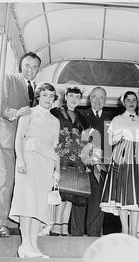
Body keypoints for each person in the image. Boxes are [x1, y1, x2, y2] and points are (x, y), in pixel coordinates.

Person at [0, 52, 41, 237]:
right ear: (21, 65)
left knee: (24, 185)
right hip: (8, 140)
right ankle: (0, 224)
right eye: (27, 65)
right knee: (4, 182)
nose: (31, 70)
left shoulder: (37, 89)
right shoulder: (8, 79)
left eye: (35, 67)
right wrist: (15, 112)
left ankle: (19, 224)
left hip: (29, 146)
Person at [9, 82, 60, 258]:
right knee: (27, 202)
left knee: (39, 204)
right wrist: (20, 159)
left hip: (46, 164)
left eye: (51, 96)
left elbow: (56, 147)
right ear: (38, 96)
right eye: (44, 95)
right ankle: (25, 244)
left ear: (54, 99)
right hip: (29, 161)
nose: (48, 99)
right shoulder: (28, 112)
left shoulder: (55, 120)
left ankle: (34, 246)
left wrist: (57, 170)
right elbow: (19, 137)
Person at [100, 91, 139, 237]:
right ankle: (124, 229)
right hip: (122, 157)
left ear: (137, 103)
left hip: (138, 160)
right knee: (123, 193)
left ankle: (134, 231)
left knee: (136, 194)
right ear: (124, 102)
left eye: (134, 100)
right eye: (128, 100)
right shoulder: (117, 119)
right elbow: (110, 141)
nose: (131, 103)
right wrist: (122, 134)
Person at [81, 87, 121, 236]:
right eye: (95, 97)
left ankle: (94, 234)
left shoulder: (111, 119)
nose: (98, 100)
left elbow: (112, 143)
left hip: (103, 165)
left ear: (105, 100)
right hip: (83, 164)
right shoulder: (82, 115)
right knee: (80, 199)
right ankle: (77, 233)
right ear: (90, 99)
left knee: (98, 200)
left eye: (101, 97)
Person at [50, 86, 88, 236]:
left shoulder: (83, 117)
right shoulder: (55, 112)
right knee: (62, 193)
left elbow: (86, 139)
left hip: (76, 159)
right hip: (59, 155)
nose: (74, 99)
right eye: (71, 96)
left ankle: (65, 226)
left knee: (72, 193)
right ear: (65, 97)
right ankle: (56, 224)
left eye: (77, 97)